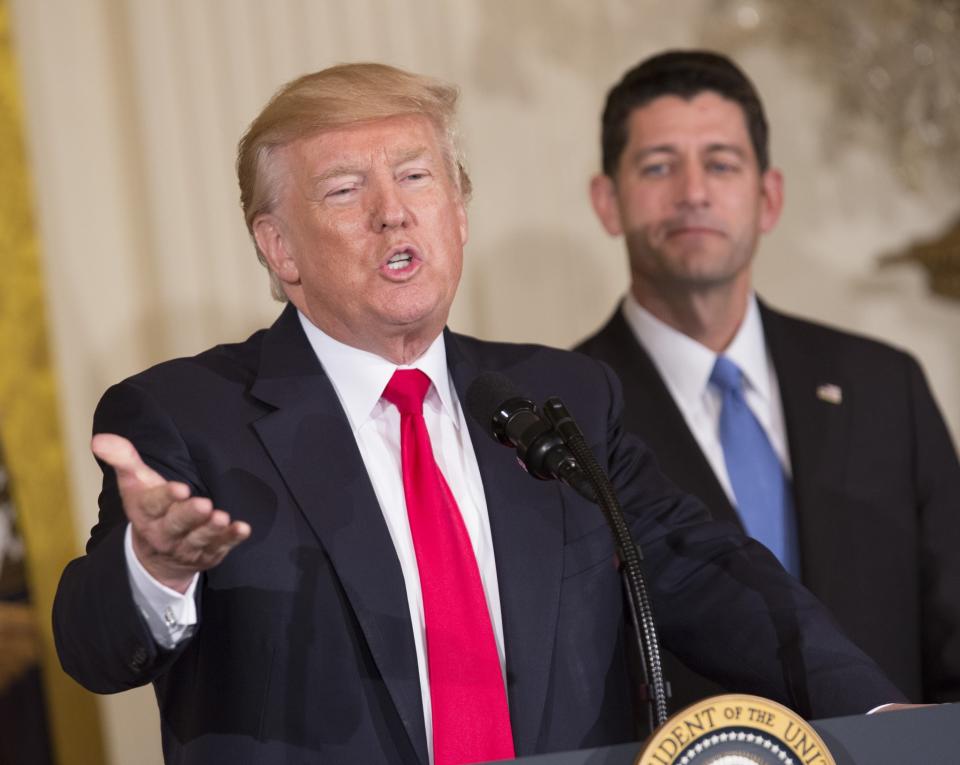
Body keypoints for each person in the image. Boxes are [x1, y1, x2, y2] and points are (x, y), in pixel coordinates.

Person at [54, 63, 905, 765]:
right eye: (346, 189)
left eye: (418, 176)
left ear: (458, 213)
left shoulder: (562, 398)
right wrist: (153, 569)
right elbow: (92, 647)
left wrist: (873, 710)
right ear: (278, 248)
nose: (394, 210)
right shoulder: (188, 417)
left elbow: (701, 567)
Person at [576, 50, 960, 712]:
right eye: (659, 166)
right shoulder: (564, 416)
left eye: (721, 164)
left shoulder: (883, 386)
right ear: (607, 201)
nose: (693, 191)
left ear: (770, 197)